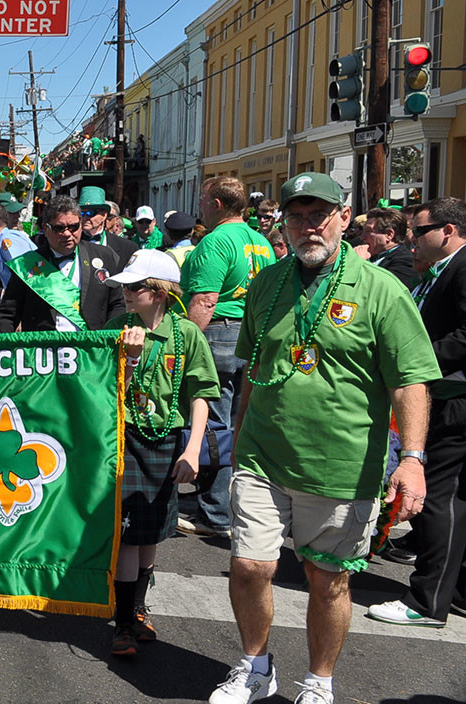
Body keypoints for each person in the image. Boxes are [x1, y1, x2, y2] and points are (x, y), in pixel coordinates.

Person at [207, 173, 438, 704]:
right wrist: (239, 439)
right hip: (262, 457)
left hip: (342, 463)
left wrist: (413, 459)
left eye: (319, 215)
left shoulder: (382, 289)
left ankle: (319, 682)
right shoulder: (266, 283)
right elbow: (254, 371)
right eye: (297, 217)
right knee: (249, 565)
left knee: (326, 578)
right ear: (282, 222)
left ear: (342, 216)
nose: (308, 227)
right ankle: (255, 666)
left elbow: (410, 382)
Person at [103, 249, 218, 658]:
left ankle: (137, 606)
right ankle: (124, 623)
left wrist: (192, 448)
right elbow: (107, 390)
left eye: (134, 286)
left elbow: (202, 393)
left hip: (167, 440)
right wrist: (130, 359)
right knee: (130, 534)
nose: (126, 293)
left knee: (151, 533)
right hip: (128, 437)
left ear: (160, 291)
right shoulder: (119, 328)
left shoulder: (186, 334)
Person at [366, 197, 466, 629]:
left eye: (418, 231)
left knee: (438, 498)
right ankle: (453, 590)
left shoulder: (462, 268)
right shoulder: (440, 270)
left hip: (454, 401)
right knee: (450, 500)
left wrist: (415, 363)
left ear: (448, 231)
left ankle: (428, 601)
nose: (411, 240)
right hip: (444, 395)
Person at [178, 176, 275, 539]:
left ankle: (216, 512)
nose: (200, 204)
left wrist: (186, 342)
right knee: (237, 423)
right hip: (252, 334)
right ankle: (224, 500)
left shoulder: (216, 241)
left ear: (216, 204)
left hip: (219, 333)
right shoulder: (261, 241)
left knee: (213, 425)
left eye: (203, 198)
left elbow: (205, 299)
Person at [0, 195, 124, 333]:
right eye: (59, 228)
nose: (67, 233)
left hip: (91, 350)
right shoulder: (26, 264)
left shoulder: (104, 256)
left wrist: (107, 340)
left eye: (73, 227)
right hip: (44, 350)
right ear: (45, 228)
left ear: (81, 224)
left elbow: (117, 304)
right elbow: (8, 315)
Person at [357, 207, 418, 290]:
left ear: (389, 235)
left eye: (369, 231)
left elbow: (381, 290)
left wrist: (359, 264)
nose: (362, 237)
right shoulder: (373, 255)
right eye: (363, 231)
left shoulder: (405, 260)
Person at [77, 187, 138, 268]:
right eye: (81, 213)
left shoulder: (127, 248)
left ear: (104, 215)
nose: (85, 218)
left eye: (90, 213)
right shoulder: (72, 244)